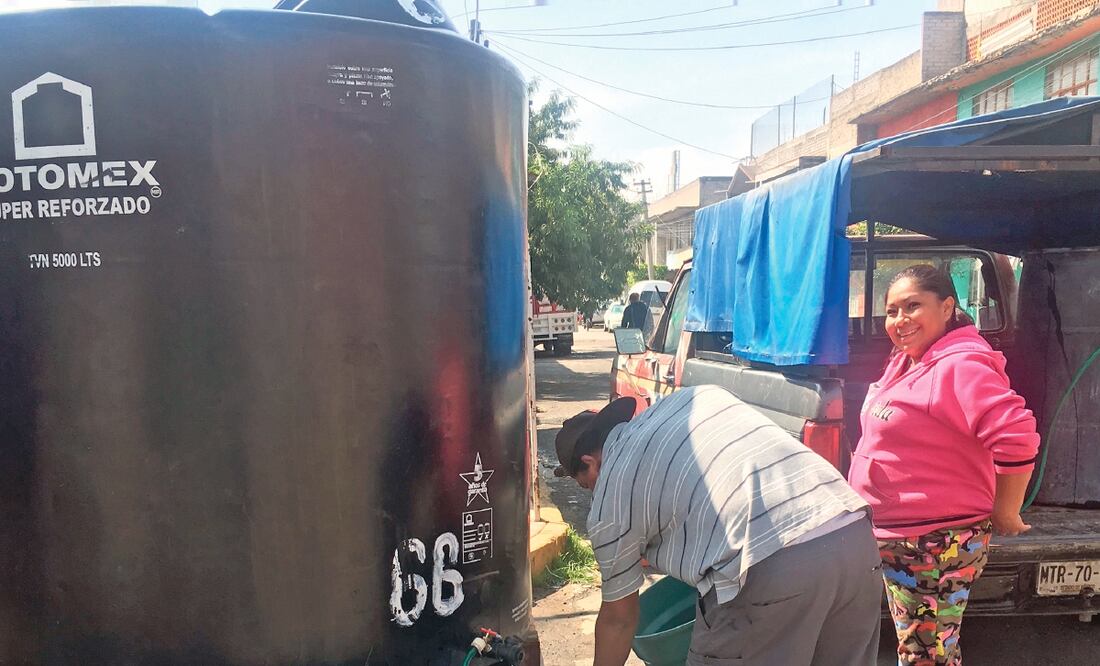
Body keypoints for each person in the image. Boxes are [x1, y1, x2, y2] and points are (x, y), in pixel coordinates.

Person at [554, 385, 883, 666]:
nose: (592, 494)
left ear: (590, 463)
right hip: (853, 533)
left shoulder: (610, 497)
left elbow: (619, 619)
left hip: (771, 564)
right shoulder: (691, 398)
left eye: (586, 486)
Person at [848, 264, 1039, 666]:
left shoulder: (958, 365)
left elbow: (1017, 436)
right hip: (905, 540)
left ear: (948, 306)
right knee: (927, 649)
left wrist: (1006, 510)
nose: (900, 320)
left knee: (928, 655)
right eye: (892, 310)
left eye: (913, 306)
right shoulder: (909, 360)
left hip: (934, 544)